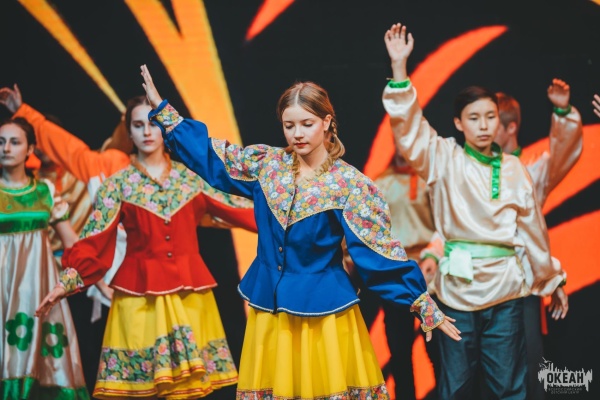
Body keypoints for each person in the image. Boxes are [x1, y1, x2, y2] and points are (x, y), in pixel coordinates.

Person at [137, 64, 461, 399]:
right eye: (289, 125)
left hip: (324, 314)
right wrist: (164, 111)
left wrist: (422, 304)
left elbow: (377, 253)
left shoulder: (349, 184)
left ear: (327, 122)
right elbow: (212, 156)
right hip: (271, 311)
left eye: (307, 124)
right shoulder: (267, 165)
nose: (297, 134)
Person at [382, 23, 568, 399]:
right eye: (474, 118)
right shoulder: (444, 158)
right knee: (456, 387)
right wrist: (399, 69)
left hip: (505, 291)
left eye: (490, 117)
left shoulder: (514, 169)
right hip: (456, 290)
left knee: (509, 387)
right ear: (458, 123)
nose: (484, 126)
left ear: (499, 120)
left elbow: (532, 231)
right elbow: (411, 131)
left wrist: (552, 281)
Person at [36, 95, 258, 399]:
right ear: (129, 133)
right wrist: (66, 283)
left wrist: (300, 223)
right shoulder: (117, 185)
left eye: (153, 124)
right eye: (138, 125)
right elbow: (95, 239)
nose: (147, 132)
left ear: (164, 128)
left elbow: (243, 210)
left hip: (189, 294)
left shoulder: (191, 179)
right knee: (141, 390)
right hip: (138, 297)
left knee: (190, 391)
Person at [493, 85, 581, 399]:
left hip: (525, 280)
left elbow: (563, 154)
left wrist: (563, 113)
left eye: (492, 121)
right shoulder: (476, 169)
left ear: (510, 127)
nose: (484, 129)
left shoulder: (533, 167)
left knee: (530, 362)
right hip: (486, 281)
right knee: (493, 368)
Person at [0, 117, 89, 399]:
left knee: (45, 361)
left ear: (30, 149)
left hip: (37, 286)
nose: (6, 148)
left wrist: (99, 278)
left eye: (15, 142)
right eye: (1, 142)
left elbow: (72, 243)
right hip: (3, 286)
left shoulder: (44, 191)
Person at [345, 152, 440, 400]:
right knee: (399, 350)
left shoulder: (430, 180)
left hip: (429, 274)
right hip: (394, 273)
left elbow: (444, 226)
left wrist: (434, 256)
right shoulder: (380, 183)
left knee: (437, 350)